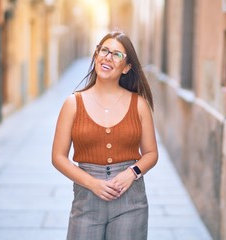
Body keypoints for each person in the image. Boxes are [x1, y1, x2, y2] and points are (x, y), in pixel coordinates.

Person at [51, 30, 158, 240]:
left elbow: (151, 153)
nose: (108, 57)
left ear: (127, 67)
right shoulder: (72, 104)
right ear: (96, 55)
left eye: (117, 54)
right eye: (104, 50)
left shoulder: (139, 105)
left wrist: (132, 172)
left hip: (131, 203)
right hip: (87, 202)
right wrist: (93, 183)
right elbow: (58, 157)